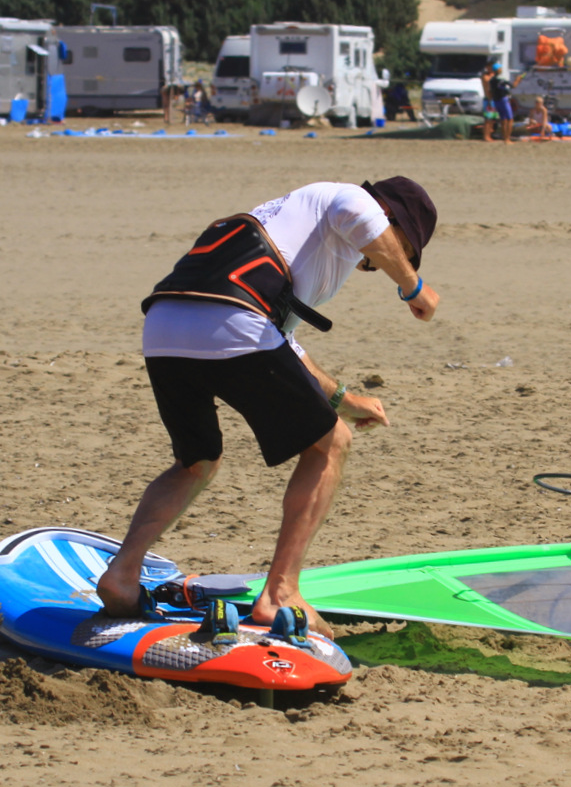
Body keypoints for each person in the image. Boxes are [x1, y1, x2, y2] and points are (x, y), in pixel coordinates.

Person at [95, 178, 441, 638]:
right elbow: (361, 217)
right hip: (231, 318)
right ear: (390, 217)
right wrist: (413, 287)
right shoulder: (349, 199)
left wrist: (344, 400)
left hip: (164, 326)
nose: (374, 264)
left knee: (196, 462)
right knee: (330, 444)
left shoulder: (292, 228)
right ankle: (280, 593)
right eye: (402, 250)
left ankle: (122, 575)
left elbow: (281, 342)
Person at [482, 62, 517, 143]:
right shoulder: (486, 76)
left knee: (493, 118)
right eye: (489, 66)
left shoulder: (493, 77)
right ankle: (486, 136)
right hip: (489, 99)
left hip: (494, 99)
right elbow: (488, 82)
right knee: (488, 118)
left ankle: (489, 135)